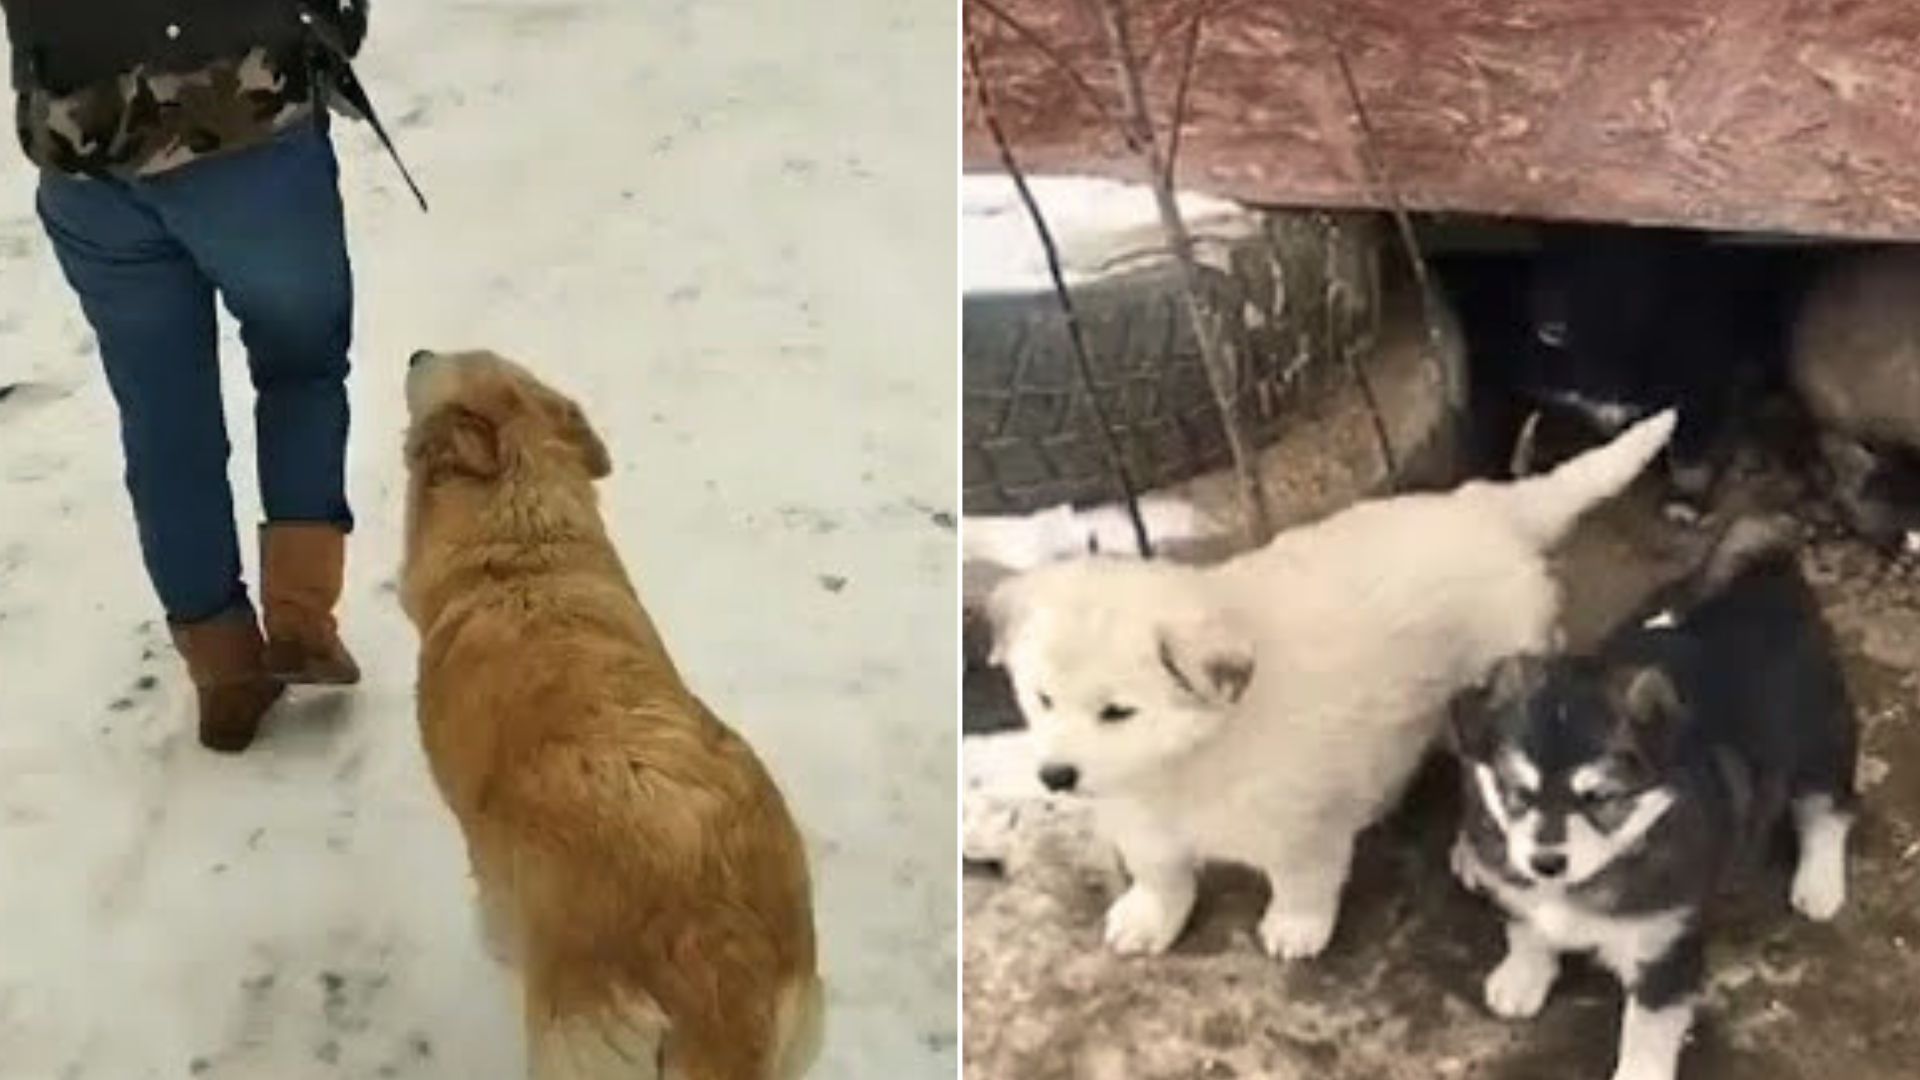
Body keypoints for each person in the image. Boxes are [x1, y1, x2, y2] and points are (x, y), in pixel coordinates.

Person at [1, 0, 375, 752]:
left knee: (163, 418)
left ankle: (224, 667)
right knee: (301, 362)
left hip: (87, 153)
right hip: (244, 121)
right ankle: (301, 620)